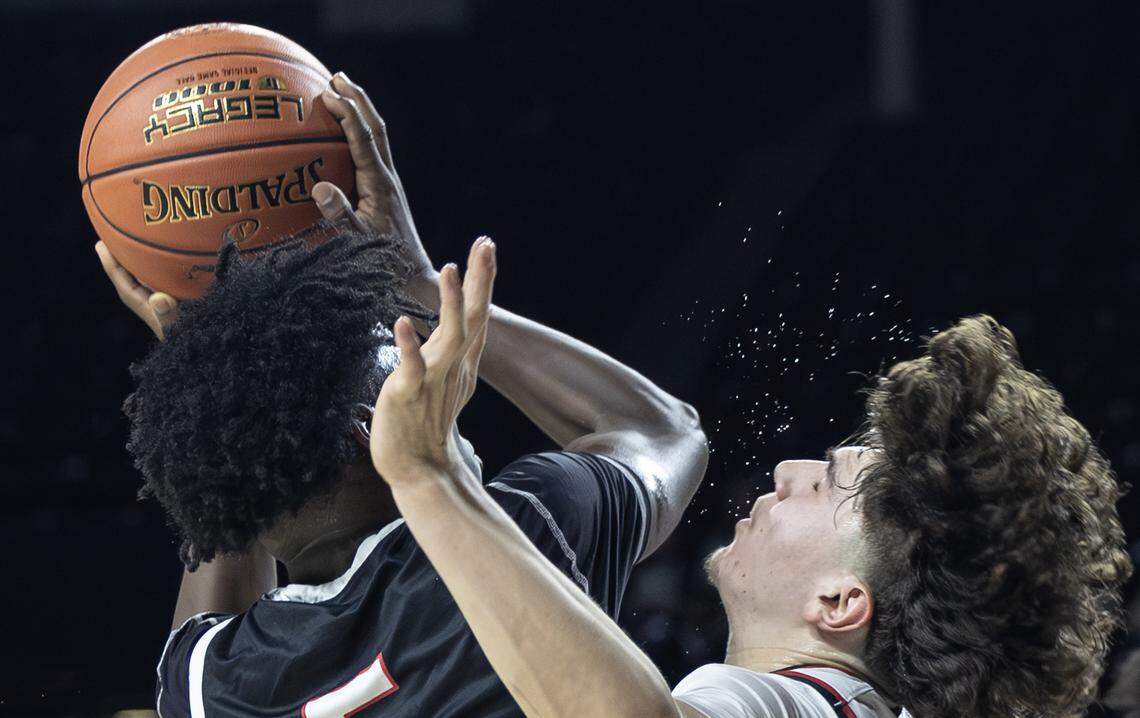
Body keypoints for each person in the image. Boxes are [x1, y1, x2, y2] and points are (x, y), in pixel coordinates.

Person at [95, 73, 708, 717]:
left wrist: (212, 379)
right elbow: (662, 429)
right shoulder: (522, 531)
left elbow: (227, 511)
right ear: (366, 428)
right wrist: (414, 278)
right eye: (397, 349)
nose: (428, 363)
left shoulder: (213, 685)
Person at [368, 303, 1134, 717]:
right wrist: (423, 290)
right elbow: (661, 430)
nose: (789, 472)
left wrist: (430, 477)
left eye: (828, 484)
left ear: (839, 602)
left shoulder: (781, 702)